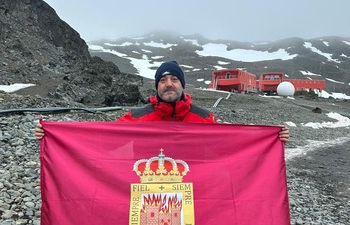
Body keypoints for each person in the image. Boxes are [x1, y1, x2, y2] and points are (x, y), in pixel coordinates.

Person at [35, 60, 289, 141]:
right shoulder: (136, 117)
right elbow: (104, 137)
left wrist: (270, 138)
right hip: (144, 188)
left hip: (191, 188)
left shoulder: (203, 118)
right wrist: (54, 134)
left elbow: (228, 143)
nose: (169, 84)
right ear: (157, 87)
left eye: (174, 80)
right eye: (163, 81)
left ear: (182, 85)